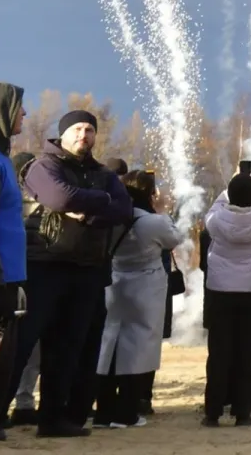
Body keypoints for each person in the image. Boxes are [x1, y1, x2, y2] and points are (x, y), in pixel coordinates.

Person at [8, 109, 132, 438]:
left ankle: (53, 420)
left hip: (86, 269)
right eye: (77, 129)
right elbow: (59, 197)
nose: (84, 135)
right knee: (21, 345)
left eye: (89, 129)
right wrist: (100, 201)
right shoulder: (44, 166)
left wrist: (89, 210)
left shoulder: (103, 174)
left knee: (67, 349)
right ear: (62, 134)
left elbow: (124, 209)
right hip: (44, 266)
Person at [94, 170, 182, 428]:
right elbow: (174, 239)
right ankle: (128, 412)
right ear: (150, 193)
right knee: (138, 349)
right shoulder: (153, 221)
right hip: (146, 287)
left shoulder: (113, 218)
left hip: (115, 281)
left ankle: (103, 411)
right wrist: (163, 210)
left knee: (108, 345)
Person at [203, 167, 251, 426]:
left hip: (220, 291)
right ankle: (243, 412)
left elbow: (216, 204)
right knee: (247, 353)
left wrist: (230, 183)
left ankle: (212, 412)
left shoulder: (216, 218)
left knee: (219, 354)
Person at [0, 85, 29, 442]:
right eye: (21, 108)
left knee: (5, 354)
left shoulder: (3, 157)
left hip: (10, 276)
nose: (25, 115)